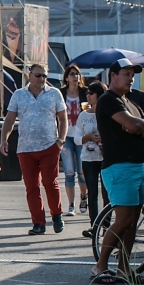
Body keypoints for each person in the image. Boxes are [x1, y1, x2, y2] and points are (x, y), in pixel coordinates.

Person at [89, 63, 144, 285]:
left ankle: (124, 269)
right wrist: (139, 125)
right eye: (126, 74)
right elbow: (131, 124)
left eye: (133, 76)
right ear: (113, 75)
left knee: (133, 220)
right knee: (124, 219)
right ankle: (100, 266)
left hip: (137, 165)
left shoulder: (130, 101)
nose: (131, 79)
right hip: (119, 165)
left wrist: (142, 125)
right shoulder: (109, 99)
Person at [0, 63, 67, 235]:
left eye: (44, 76)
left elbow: (63, 118)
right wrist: (4, 139)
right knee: (31, 186)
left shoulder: (54, 93)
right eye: (38, 75)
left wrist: (60, 140)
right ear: (29, 75)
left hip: (49, 146)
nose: (42, 79)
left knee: (49, 182)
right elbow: (9, 119)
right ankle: (38, 222)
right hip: (26, 148)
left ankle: (57, 215)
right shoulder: (19, 95)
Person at [60, 66, 87, 214]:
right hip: (66, 136)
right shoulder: (61, 93)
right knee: (69, 171)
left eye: (77, 74)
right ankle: (71, 205)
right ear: (66, 78)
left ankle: (84, 197)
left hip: (81, 135)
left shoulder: (85, 92)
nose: (75, 76)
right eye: (72, 74)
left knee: (82, 171)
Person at [75, 82, 103, 229]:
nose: (88, 96)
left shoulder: (107, 114)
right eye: (87, 93)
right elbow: (77, 138)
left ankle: (106, 225)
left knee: (107, 194)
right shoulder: (83, 115)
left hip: (105, 158)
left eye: (91, 93)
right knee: (92, 192)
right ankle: (95, 226)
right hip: (88, 159)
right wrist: (88, 137)